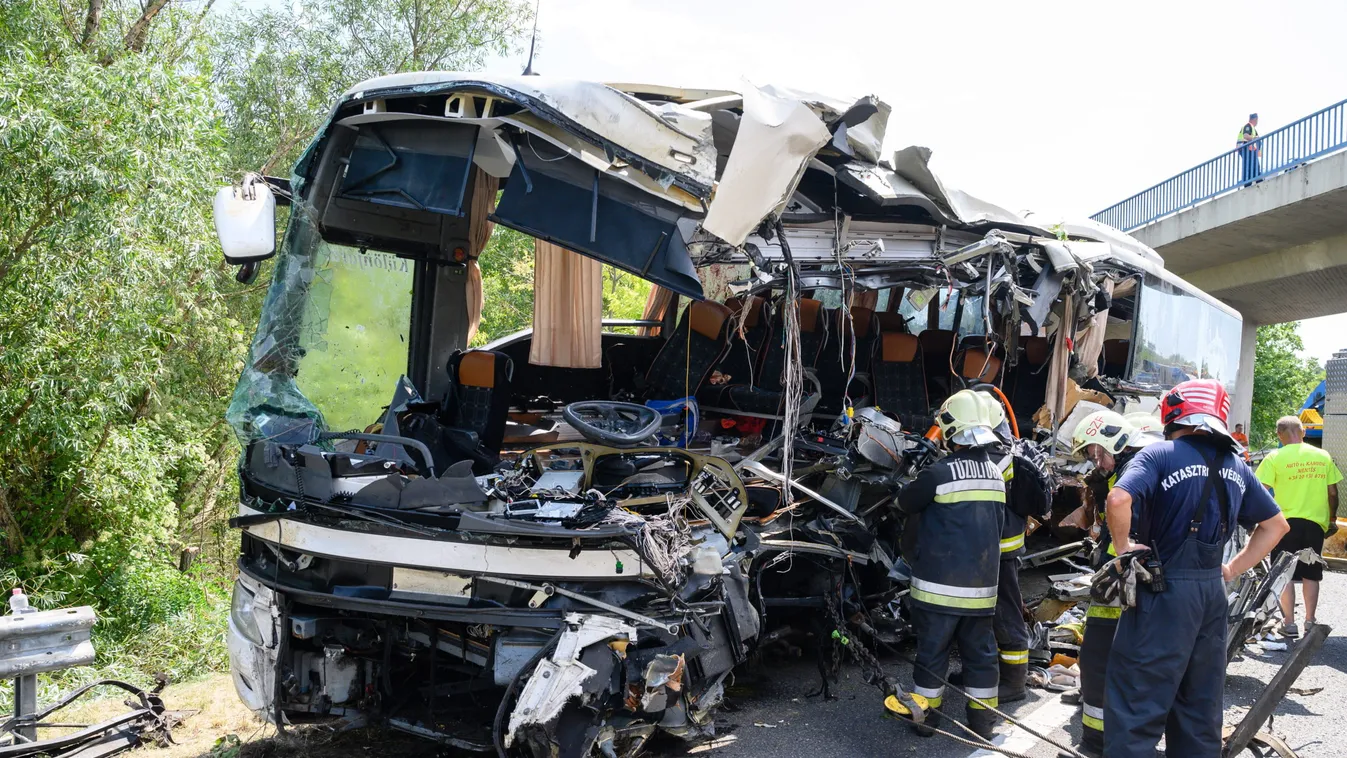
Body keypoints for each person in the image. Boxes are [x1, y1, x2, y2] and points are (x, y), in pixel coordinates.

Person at [1102, 379, 1289, 758]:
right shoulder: (1237, 465)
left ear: (1173, 414)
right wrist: (1231, 569)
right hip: (1211, 596)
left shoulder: (1159, 455)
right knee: (1199, 711)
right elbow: (1276, 525)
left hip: (1163, 593)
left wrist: (1122, 549)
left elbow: (1118, 498)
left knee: (1137, 705)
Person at [887, 390, 1005, 739]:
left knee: (932, 654)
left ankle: (926, 720)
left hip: (938, 590)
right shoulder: (996, 474)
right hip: (982, 592)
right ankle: (983, 723)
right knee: (981, 656)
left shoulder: (938, 473)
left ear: (952, 431)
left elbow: (903, 503)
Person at [1069, 409, 1152, 755]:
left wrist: (1117, 552)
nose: (1094, 461)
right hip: (1123, 580)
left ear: (1113, 443)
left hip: (1122, 582)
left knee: (1098, 661)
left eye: (1096, 452)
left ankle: (1096, 744)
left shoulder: (1132, 476)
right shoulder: (1131, 470)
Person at [975, 389, 1052, 705]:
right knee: (983, 612)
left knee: (1005, 612)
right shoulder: (1003, 448)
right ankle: (984, 671)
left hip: (1000, 549)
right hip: (998, 545)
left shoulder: (997, 456)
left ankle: (1014, 681)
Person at [1256, 415, 1342, 638]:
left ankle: (1289, 623)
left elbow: (1259, 491)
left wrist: (1261, 520)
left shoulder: (1274, 457)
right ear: (1303, 432)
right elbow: (1333, 493)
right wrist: (1332, 519)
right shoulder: (1322, 456)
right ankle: (1310, 621)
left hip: (1284, 524)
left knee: (1284, 572)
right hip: (1315, 524)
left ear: (1279, 435)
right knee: (1311, 572)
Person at [1238, 113, 1260, 186]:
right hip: (1245, 148)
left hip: (1248, 149)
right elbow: (1245, 136)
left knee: (1250, 164)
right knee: (1252, 164)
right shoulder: (1248, 126)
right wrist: (1254, 138)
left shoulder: (1252, 128)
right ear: (1255, 119)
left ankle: (1251, 180)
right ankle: (1256, 179)